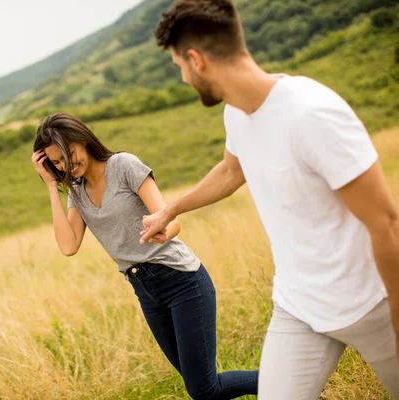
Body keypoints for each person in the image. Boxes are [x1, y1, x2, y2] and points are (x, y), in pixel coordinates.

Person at [139, 1, 399, 399]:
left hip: (372, 305)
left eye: (179, 67)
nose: (184, 79)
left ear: (196, 59)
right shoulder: (237, 113)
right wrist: (169, 210)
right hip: (298, 307)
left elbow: (386, 223)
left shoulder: (311, 113)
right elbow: (231, 171)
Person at [31, 113, 258, 400]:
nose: (66, 165)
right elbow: (68, 245)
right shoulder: (75, 192)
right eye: (57, 163)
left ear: (82, 140)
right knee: (201, 387)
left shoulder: (123, 165)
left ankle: (297, 385)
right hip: (146, 292)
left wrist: (164, 229)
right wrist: (52, 186)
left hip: (181, 281)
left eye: (67, 155)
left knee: (203, 389)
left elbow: (169, 218)